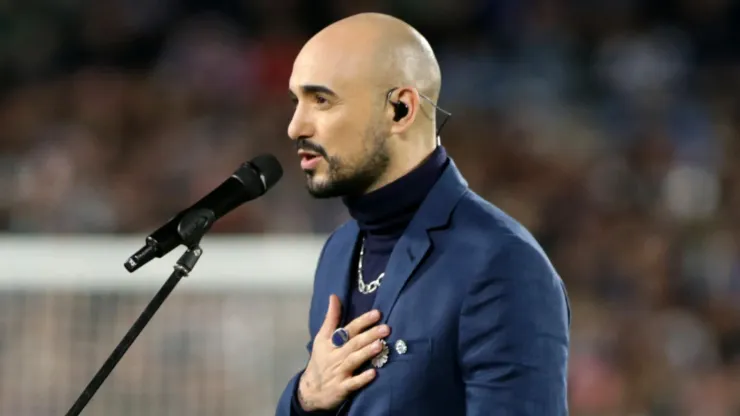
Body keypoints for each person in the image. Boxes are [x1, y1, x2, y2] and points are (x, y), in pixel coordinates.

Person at [276, 12, 570, 416]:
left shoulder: (501, 262)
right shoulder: (339, 250)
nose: (295, 127)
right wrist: (304, 400)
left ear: (400, 109)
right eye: (297, 102)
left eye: (321, 100)